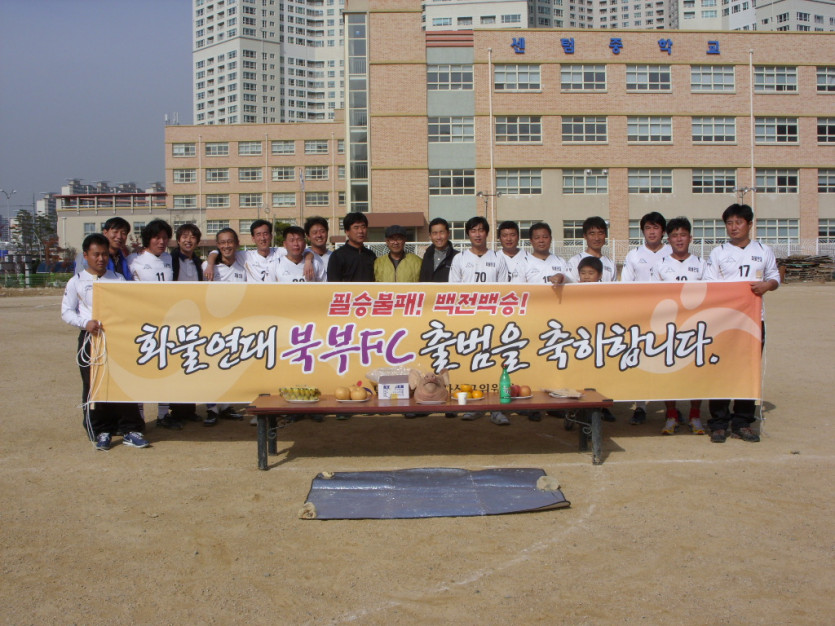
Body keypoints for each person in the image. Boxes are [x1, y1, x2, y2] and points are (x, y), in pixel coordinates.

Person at [61, 233, 148, 450]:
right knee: (94, 385)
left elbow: (128, 308)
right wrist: (85, 323)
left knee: (123, 382)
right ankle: (102, 430)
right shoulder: (76, 281)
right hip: (91, 340)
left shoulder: (117, 279)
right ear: (86, 255)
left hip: (117, 340)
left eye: (104, 254)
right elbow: (66, 312)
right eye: (96, 254)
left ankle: (130, 429)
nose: (101, 259)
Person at [704, 203, 779, 444]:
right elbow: (710, 283)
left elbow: (774, 277)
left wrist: (767, 285)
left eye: (738, 222)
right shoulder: (718, 252)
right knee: (720, 369)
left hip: (754, 321)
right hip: (724, 322)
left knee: (748, 370)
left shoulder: (763, 250)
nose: (734, 227)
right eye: (729, 223)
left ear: (749, 224)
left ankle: (742, 422)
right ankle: (718, 422)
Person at [449, 216, 511, 426]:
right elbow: (453, 291)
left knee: (493, 363)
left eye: (481, 230)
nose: (477, 234)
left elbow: (504, 291)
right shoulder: (459, 259)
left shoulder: (498, 258)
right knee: (471, 361)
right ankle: (473, 406)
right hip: (467, 319)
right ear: (468, 234)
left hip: (492, 319)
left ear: (487, 233)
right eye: (473, 230)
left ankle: (497, 408)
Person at [650, 217, 707, 435]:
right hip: (670, 327)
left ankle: (695, 416)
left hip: (696, 327)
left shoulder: (702, 264)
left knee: (696, 372)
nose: (679, 239)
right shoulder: (661, 265)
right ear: (669, 239)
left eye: (683, 235)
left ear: (690, 238)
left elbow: (713, 294)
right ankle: (671, 416)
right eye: (674, 236)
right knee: (670, 371)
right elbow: (653, 297)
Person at [620, 212, 672, 426]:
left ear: (663, 231)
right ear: (642, 231)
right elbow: (625, 286)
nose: (652, 232)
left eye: (656, 228)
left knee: (668, 360)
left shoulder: (673, 252)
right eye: (648, 228)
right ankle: (640, 406)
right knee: (640, 361)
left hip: (668, 316)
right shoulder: (633, 255)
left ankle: (671, 409)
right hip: (641, 317)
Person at [202, 228, 248, 426]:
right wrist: (211, 262)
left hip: (236, 326)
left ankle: (227, 406)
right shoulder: (207, 266)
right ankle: (211, 409)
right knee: (211, 367)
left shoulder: (243, 265)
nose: (226, 246)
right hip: (212, 324)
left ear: (236, 243)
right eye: (222, 242)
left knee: (230, 366)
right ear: (217, 245)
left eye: (230, 242)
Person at [204, 219, 314, 283]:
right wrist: (209, 265)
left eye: (265, 234)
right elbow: (218, 252)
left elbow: (305, 250)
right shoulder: (245, 256)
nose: (262, 238)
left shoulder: (281, 252)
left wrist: (308, 262)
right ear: (253, 238)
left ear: (271, 236)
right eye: (258, 235)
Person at [576, 256, 617, 422]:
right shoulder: (573, 291)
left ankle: (602, 407)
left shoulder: (606, 292)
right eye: (583, 273)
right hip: (579, 341)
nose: (586, 276)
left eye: (590, 273)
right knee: (580, 374)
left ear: (600, 275)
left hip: (599, 340)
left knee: (600, 375)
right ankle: (578, 407)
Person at [327, 212, 376, 282]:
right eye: (356, 227)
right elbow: (333, 283)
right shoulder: (337, 256)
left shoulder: (371, 255)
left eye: (363, 227)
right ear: (347, 231)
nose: (360, 231)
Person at [568, 217, 617, 283]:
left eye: (600, 233)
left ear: (605, 235)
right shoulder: (575, 261)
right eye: (592, 233)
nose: (597, 238)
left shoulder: (610, 263)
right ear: (585, 236)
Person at [419, 217, 459, 282]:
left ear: (448, 233)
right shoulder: (427, 255)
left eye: (442, 232)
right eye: (435, 233)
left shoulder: (457, 257)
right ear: (430, 236)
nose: (438, 237)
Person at [304, 216, 331, 282]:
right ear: (308, 236)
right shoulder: (302, 256)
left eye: (322, 231)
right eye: (314, 232)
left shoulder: (335, 257)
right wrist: (308, 259)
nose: (319, 235)